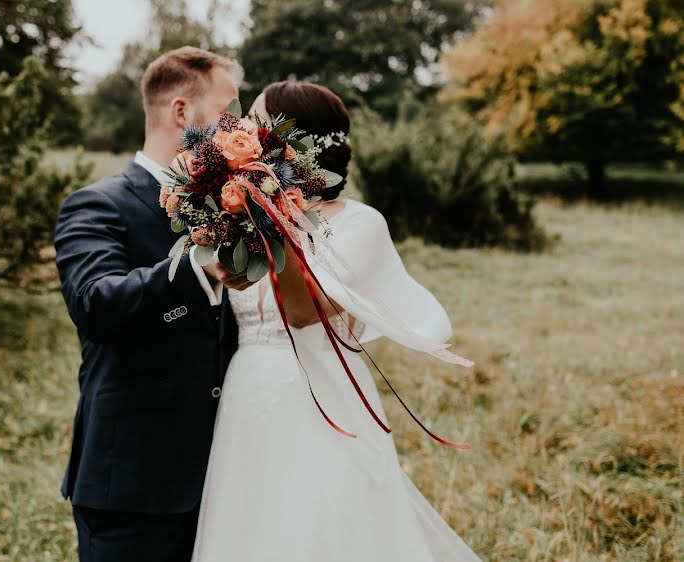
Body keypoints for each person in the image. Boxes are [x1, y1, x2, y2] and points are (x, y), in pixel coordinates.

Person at [190, 80, 483, 561]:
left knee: (324, 529)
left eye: (258, 122)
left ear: (294, 140)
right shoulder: (234, 216)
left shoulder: (360, 223)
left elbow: (306, 313)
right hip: (248, 392)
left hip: (322, 397)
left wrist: (270, 218)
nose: (245, 131)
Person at [53, 47, 251, 562]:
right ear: (181, 113)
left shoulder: (229, 204)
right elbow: (95, 304)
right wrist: (194, 270)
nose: (239, 127)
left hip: (221, 482)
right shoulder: (98, 204)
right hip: (133, 489)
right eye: (228, 112)